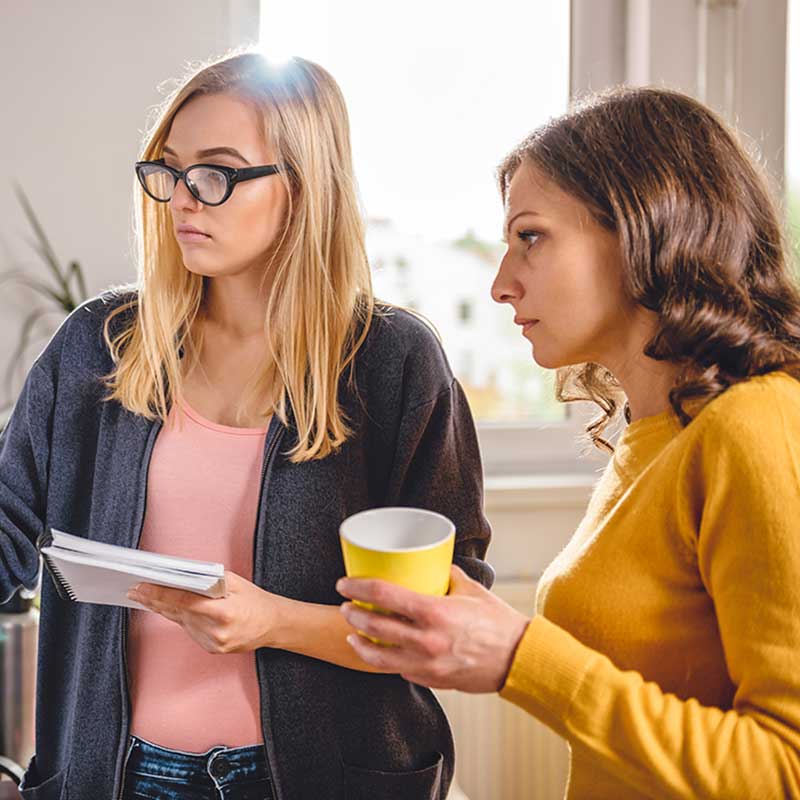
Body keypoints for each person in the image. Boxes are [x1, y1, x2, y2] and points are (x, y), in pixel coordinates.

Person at [0, 52, 492, 800]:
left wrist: (274, 621)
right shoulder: (100, 344)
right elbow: (7, 534)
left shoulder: (393, 362)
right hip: (123, 776)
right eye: (169, 172)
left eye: (217, 173)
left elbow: (442, 621)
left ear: (301, 186)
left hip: (322, 779)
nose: (183, 201)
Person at [338, 86, 800, 798]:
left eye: (531, 237)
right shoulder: (651, 438)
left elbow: (783, 769)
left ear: (646, 227)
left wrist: (521, 658)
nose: (500, 285)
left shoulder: (754, 427)